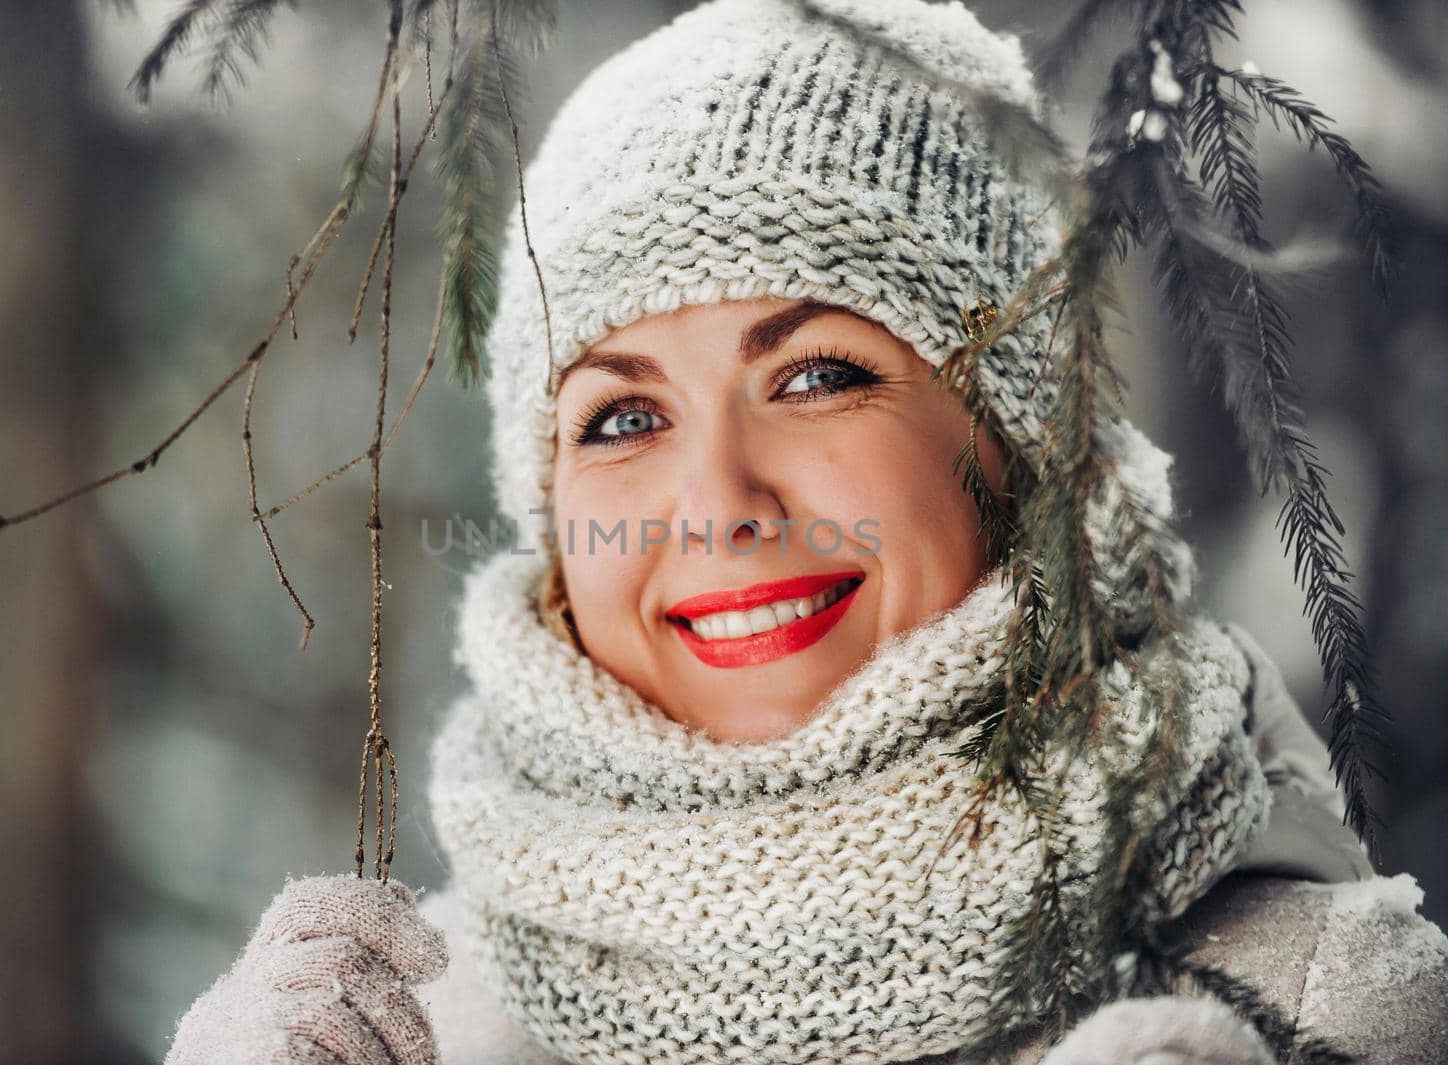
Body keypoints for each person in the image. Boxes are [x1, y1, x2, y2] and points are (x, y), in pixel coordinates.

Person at [162, 1, 1448, 1062]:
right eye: (619, 418)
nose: (719, 504)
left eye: (818, 376)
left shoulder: (1315, 1008)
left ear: (1020, 447)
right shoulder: (414, 1035)